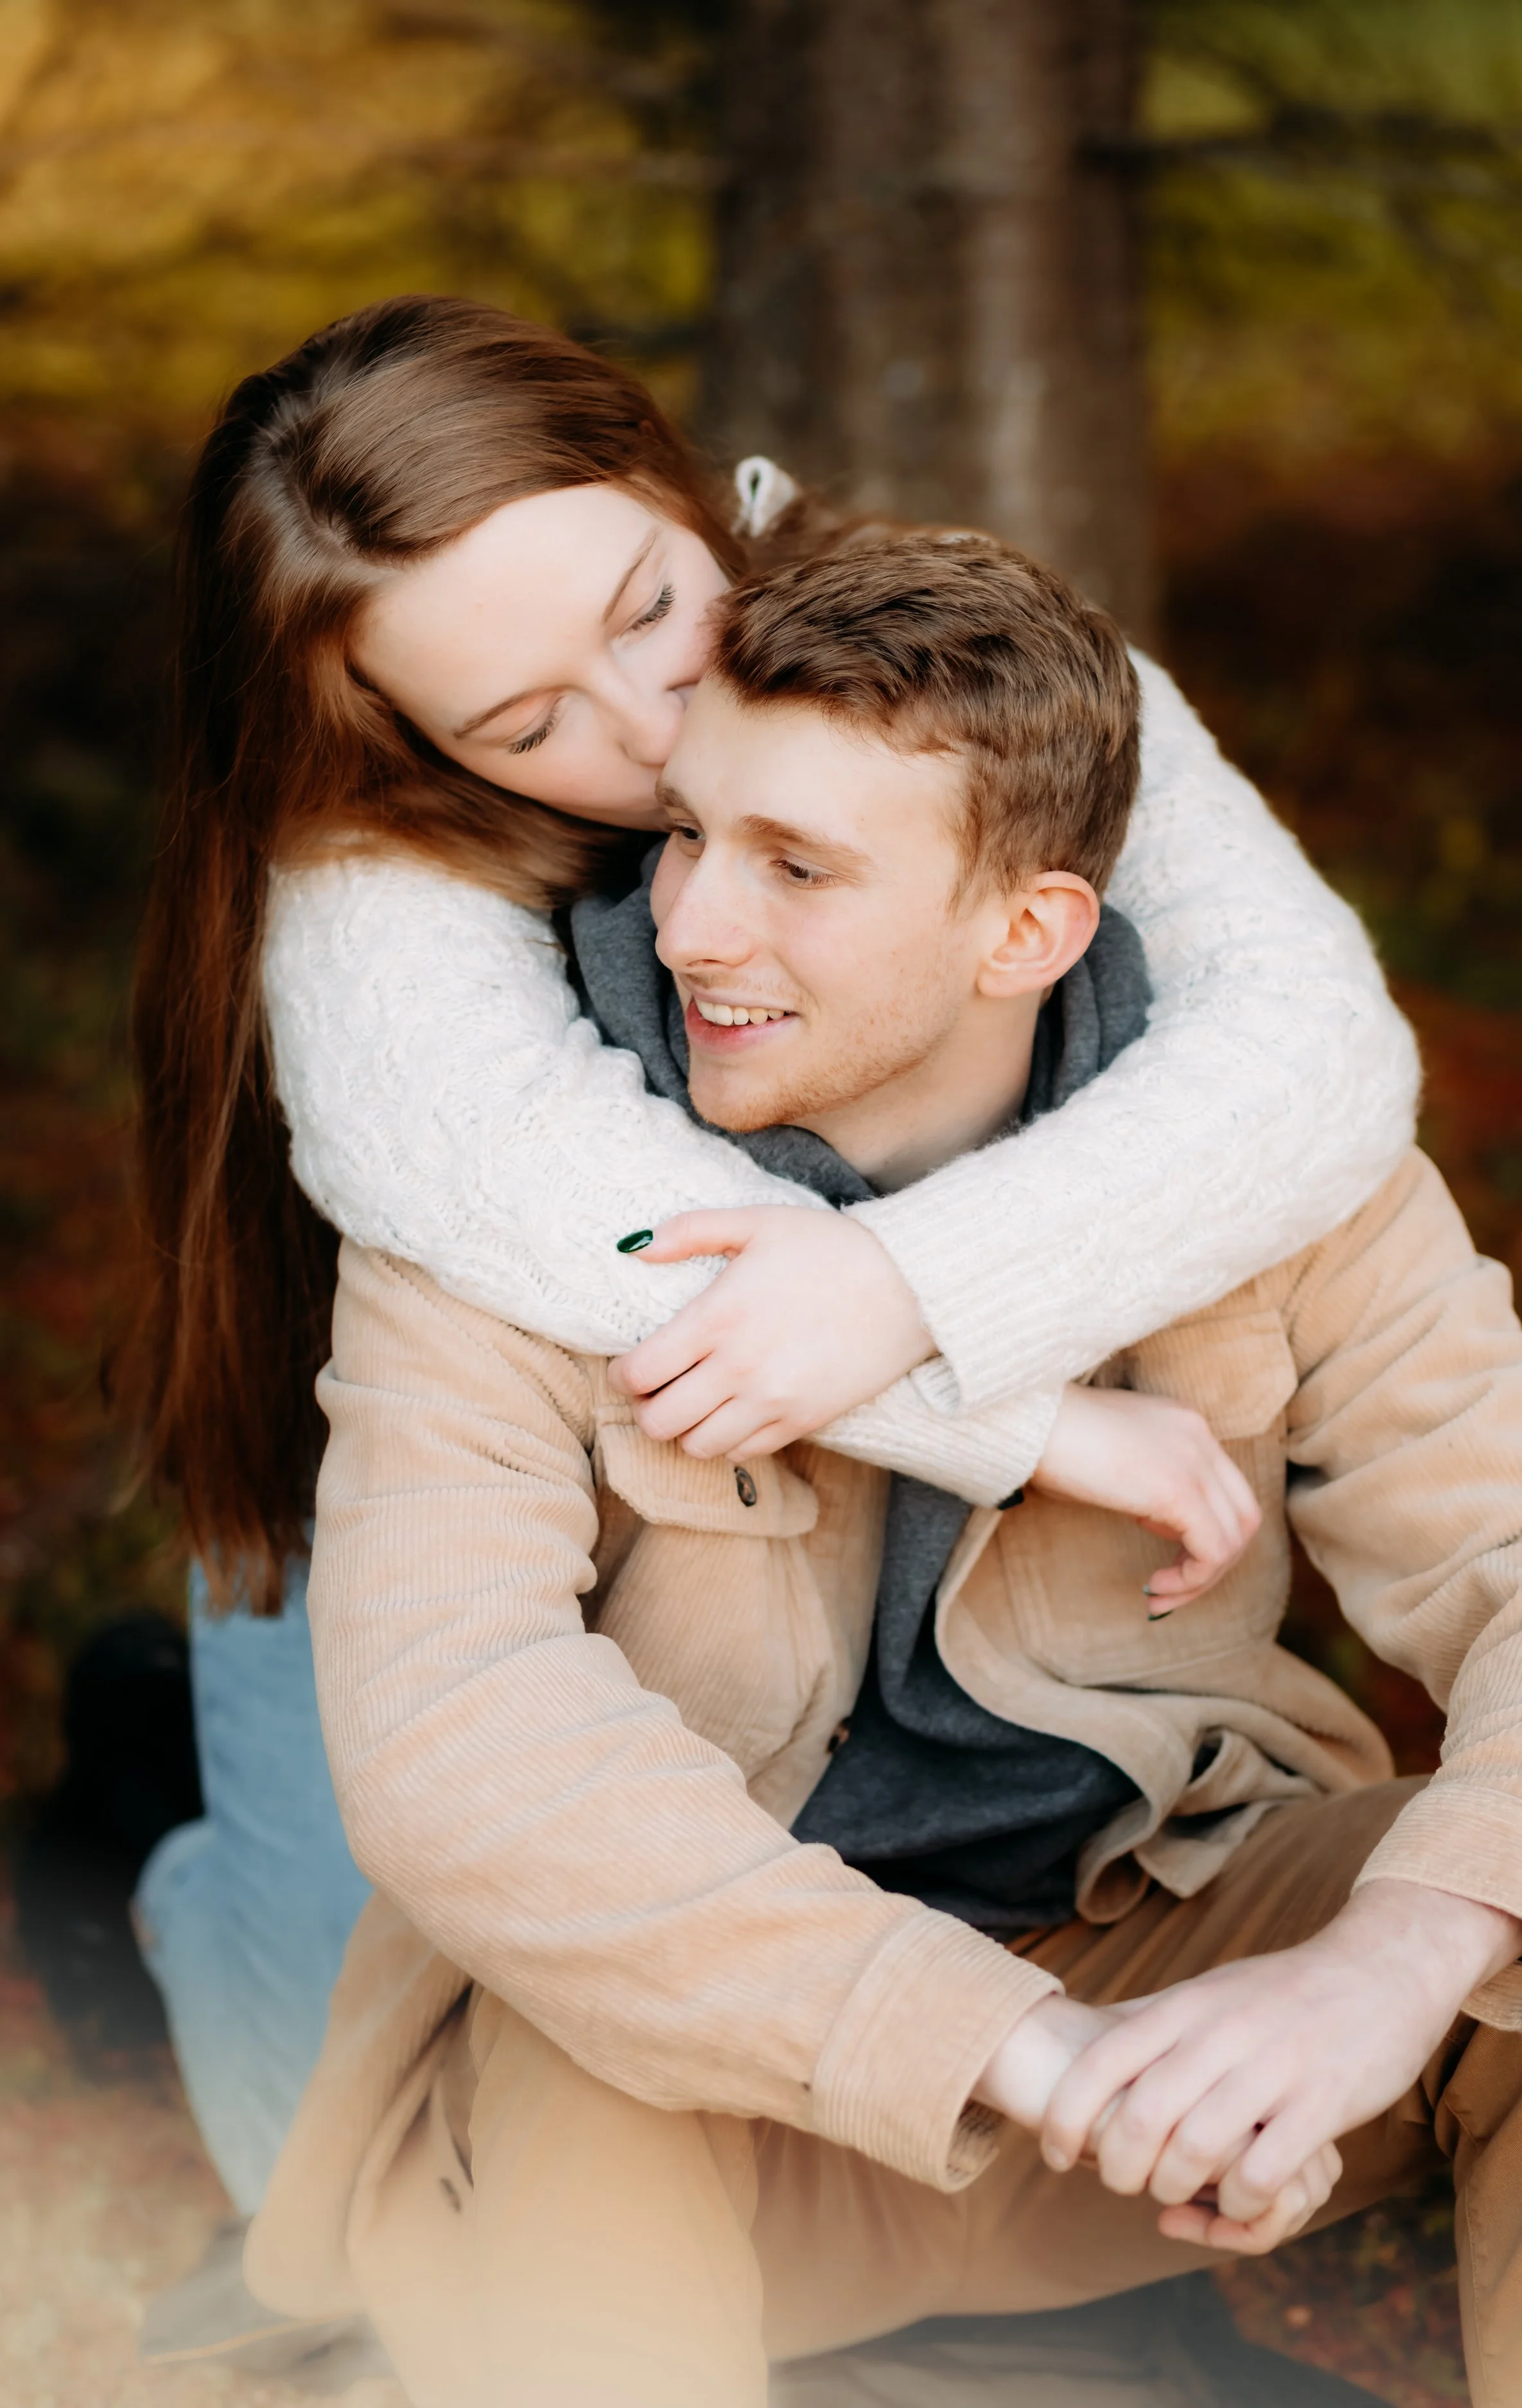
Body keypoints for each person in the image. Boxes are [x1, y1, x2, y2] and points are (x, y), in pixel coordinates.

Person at [242, 536, 1522, 2408]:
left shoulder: (1261, 1169)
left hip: (1150, 1958)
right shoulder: (516, 1205)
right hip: (728, 2078)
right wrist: (1006, 2044)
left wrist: (1392, 1959)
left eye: (798, 868)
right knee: (555, 2020)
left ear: (1026, 932)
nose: (694, 925)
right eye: (689, 834)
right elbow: (457, 1734)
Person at [123, 295, 1417, 2210]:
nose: (646, 735)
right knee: (344, 2149)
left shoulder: (929, 642)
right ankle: (171, 1876)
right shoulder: (366, 869)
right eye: (526, 723)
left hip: (727, 1508)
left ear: (675, 477)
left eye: (645, 609)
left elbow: (1310, 1043)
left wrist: (908, 1286)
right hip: (407, 1475)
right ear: (406, 741)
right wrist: (1016, 1414)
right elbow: (562, 1203)